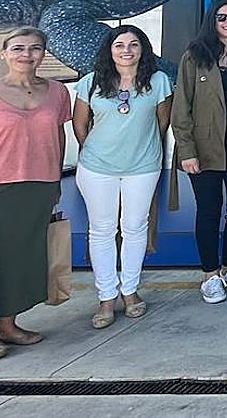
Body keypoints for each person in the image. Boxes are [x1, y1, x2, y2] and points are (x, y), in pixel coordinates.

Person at [72, 24, 172, 329]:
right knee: (101, 231)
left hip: (142, 167)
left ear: (143, 50)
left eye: (133, 44)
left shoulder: (158, 81)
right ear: (109, 50)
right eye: (119, 45)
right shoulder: (90, 83)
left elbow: (162, 123)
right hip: (97, 168)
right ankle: (106, 298)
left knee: (135, 228)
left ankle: (130, 291)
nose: (126, 50)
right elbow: (80, 125)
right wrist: (97, 152)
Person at [0, 28, 71, 360]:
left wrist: (56, 177)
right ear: (4, 53)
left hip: (38, 184)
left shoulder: (57, 92)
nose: (27, 54)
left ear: (43, 55)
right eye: (18, 48)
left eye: (35, 48)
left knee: (20, 258)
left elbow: (59, 137)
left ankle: (9, 324)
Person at [170, 0, 227, 304]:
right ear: (212, 20)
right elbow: (181, 109)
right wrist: (186, 151)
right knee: (209, 211)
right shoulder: (195, 56)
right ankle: (210, 274)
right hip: (204, 147)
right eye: (222, 17)